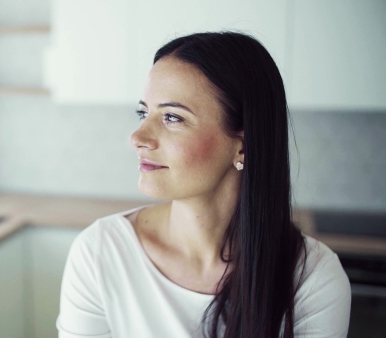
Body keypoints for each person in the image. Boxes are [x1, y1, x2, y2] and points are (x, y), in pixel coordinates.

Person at [55, 32, 351, 338]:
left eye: (172, 117)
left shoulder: (313, 280)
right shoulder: (100, 253)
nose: (138, 137)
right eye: (143, 112)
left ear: (242, 146)